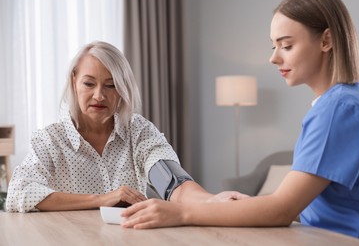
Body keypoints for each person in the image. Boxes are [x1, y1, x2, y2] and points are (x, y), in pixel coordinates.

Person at [119, 0, 359, 244]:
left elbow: (282, 209)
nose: (273, 58)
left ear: (326, 41)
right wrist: (250, 205)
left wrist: (180, 213)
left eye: (286, 45)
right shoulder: (340, 103)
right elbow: (310, 204)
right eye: (273, 46)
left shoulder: (340, 109)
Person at [6, 41, 246, 213]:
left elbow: (171, 180)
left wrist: (210, 200)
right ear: (74, 81)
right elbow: (18, 194)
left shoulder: (139, 132)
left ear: (123, 89)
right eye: (89, 83)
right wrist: (101, 199)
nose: (99, 95)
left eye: (111, 85)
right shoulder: (50, 139)